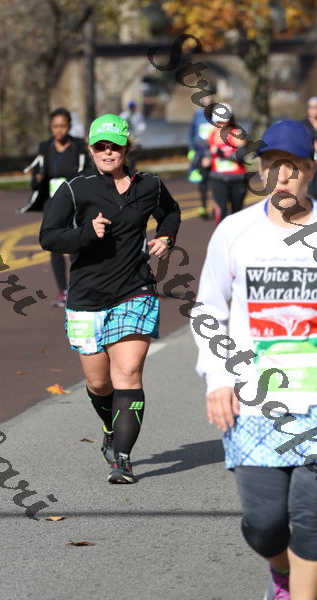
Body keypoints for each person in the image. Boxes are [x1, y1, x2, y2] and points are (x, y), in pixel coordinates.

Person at [191, 120, 317, 600]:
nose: (281, 175)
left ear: (310, 170)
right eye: (272, 165)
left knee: (311, 522)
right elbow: (208, 310)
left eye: (293, 166)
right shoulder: (235, 231)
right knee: (265, 526)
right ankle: (281, 571)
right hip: (255, 405)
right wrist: (218, 378)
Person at [39, 113, 180, 484]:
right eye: (100, 146)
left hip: (135, 289)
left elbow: (171, 212)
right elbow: (49, 236)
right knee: (99, 384)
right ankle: (109, 427)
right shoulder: (75, 189)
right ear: (90, 149)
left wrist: (166, 237)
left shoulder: (149, 185)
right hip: (87, 297)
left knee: (128, 372)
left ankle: (123, 460)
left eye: (114, 146)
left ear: (126, 148)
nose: (107, 152)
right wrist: (86, 232)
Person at [20, 107, 90, 307]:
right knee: (55, 245)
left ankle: (79, 287)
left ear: (69, 126)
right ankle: (63, 291)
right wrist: (37, 179)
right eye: (55, 126)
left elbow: (87, 172)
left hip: (74, 200)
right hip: (52, 202)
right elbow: (36, 179)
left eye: (63, 126)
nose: (59, 130)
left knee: (76, 242)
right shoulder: (45, 147)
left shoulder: (78, 146)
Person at [202, 103, 247, 225]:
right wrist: (206, 160)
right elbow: (208, 153)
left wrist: (221, 153)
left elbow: (241, 157)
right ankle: (221, 235)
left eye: (224, 122)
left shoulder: (236, 134)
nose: (221, 125)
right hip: (218, 179)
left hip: (237, 178)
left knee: (236, 213)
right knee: (220, 212)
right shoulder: (212, 135)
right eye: (218, 122)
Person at [187, 92, 216, 219]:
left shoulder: (216, 114)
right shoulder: (198, 114)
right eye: (204, 98)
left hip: (214, 154)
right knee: (203, 181)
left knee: (215, 181)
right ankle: (203, 206)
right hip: (200, 153)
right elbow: (192, 133)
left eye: (208, 97)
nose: (206, 99)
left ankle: (216, 206)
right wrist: (191, 149)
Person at [119, 101, 147, 169]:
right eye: (130, 107)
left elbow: (141, 125)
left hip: (136, 138)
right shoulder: (124, 115)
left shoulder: (138, 115)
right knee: (127, 156)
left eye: (132, 107)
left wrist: (139, 132)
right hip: (126, 138)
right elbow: (120, 125)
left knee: (134, 156)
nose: (131, 108)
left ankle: (132, 168)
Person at [301, 96, 317, 199]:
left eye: (315, 107)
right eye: (311, 107)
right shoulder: (303, 125)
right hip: (309, 160)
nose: (313, 110)